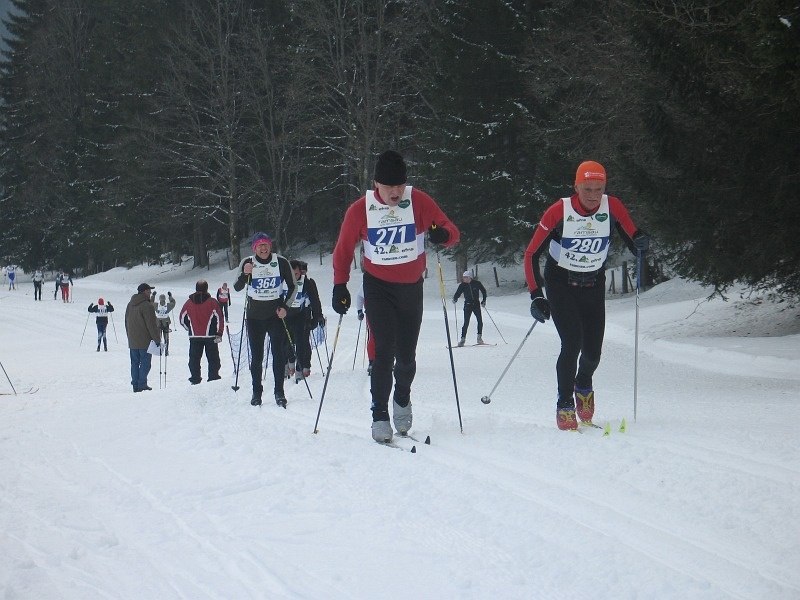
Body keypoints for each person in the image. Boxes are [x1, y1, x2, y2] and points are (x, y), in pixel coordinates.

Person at [332, 149, 460, 443]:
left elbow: (451, 230)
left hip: (411, 288)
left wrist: (443, 235)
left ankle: (402, 398)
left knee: (406, 356)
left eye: (400, 185)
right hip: (378, 287)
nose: (396, 192)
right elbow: (343, 248)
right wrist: (340, 284)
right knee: (383, 352)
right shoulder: (360, 210)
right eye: (389, 186)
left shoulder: (419, 201)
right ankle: (379, 414)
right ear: (376, 184)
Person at [524, 160, 650, 431]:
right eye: (587, 189)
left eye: (598, 189)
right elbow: (531, 253)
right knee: (572, 344)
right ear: (576, 186)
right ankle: (565, 403)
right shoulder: (559, 211)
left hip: (593, 284)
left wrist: (641, 241)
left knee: (593, 353)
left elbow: (634, 240)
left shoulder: (612, 207)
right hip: (561, 283)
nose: (593, 195)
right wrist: (536, 295)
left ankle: (583, 384)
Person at [232, 232, 296, 407]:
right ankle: (256, 392)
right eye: (259, 245)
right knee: (257, 357)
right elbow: (237, 287)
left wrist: (286, 307)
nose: (263, 248)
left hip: (275, 316)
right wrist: (245, 274)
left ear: (270, 246)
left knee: (278, 355)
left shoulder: (281, 262)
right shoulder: (247, 262)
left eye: (266, 244)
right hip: (254, 317)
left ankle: (279, 392)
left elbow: (293, 286)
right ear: (254, 248)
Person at [285, 259, 324, 382]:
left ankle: (302, 367)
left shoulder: (308, 283)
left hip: (303, 316)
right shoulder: (284, 281)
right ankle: (290, 363)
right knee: (286, 342)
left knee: (302, 343)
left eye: (298, 273)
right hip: (286, 316)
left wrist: (318, 316)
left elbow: (315, 301)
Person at [179, 280, 224, 384]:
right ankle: (213, 378)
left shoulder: (188, 303)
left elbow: (182, 319)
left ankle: (195, 379)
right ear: (206, 289)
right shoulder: (212, 302)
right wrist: (219, 333)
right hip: (211, 336)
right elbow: (220, 318)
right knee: (213, 359)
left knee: (194, 359)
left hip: (194, 336)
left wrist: (189, 328)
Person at [125, 283, 162, 393]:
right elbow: (151, 325)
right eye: (149, 291)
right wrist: (157, 339)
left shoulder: (130, 304)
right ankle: (142, 384)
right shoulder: (147, 305)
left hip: (133, 340)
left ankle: (135, 384)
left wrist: (129, 336)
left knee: (135, 363)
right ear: (144, 291)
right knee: (145, 364)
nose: (150, 293)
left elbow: (126, 322)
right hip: (145, 341)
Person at [452, 270, 488, 346]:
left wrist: (484, 300)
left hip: (476, 305)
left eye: (465, 277)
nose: (464, 279)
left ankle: (479, 338)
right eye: (463, 277)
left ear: (470, 277)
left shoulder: (477, 283)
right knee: (466, 322)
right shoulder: (462, 285)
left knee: (480, 321)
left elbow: (484, 291)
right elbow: (458, 293)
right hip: (468, 305)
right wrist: (455, 298)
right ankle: (462, 340)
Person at [355, 284, 375, 375]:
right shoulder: (367, 282)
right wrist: (359, 311)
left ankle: (388, 359)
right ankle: (372, 361)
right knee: (373, 336)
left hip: (389, 313)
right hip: (372, 313)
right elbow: (360, 296)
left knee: (389, 336)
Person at [151, 291, 176, 356]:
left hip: (158, 323)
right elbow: (173, 303)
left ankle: (159, 350)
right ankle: (166, 351)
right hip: (166, 323)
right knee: (166, 338)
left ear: (159, 299)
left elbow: (150, 302)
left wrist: (153, 295)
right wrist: (170, 296)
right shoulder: (168, 305)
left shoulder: (156, 305)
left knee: (159, 337)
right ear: (165, 299)